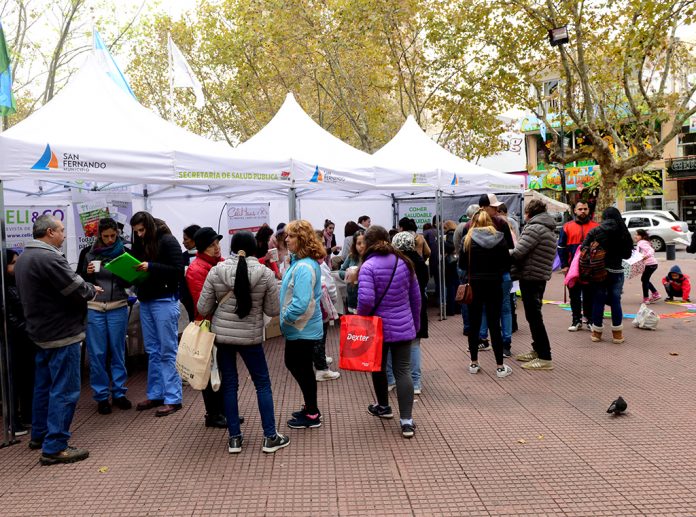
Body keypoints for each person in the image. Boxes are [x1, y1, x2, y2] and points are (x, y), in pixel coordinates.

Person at [14, 215, 99, 465]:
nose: (64, 234)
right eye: (62, 230)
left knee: (44, 387)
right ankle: (56, 446)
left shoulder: (25, 256)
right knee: (64, 390)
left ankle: (40, 435)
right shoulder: (48, 257)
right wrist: (92, 290)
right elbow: (77, 288)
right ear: (50, 232)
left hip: (40, 332)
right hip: (61, 333)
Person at [197, 231, 289, 454]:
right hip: (250, 337)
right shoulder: (265, 274)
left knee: (230, 386)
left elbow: (203, 308)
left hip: (223, 337)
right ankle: (269, 437)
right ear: (254, 248)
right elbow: (273, 310)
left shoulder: (216, 271)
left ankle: (235, 439)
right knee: (262, 384)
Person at [358, 225, 421, 438]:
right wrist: (415, 324)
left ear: (367, 243)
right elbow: (416, 297)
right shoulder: (404, 262)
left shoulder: (368, 266)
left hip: (377, 328)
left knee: (377, 368)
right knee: (403, 371)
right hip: (403, 325)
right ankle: (407, 421)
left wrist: (361, 317)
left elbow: (366, 300)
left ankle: (383, 406)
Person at [130, 211, 185, 417]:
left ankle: (173, 398)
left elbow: (178, 270)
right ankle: (156, 394)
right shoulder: (141, 244)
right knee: (153, 350)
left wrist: (150, 267)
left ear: (150, 226)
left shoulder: (167, 240)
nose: (140, 234)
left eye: (142, 230)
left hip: (163, 299)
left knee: (167, 350)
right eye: (136, 232)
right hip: (147, 300)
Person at [79, 218, 132, 415]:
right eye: (106, 236)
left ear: (117, 234)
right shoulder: (88, 253)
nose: (110, 240)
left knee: (117, 351)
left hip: (117, 305)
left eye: (113, 236)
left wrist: (123, 272)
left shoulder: (125, 252)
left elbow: (131, 281)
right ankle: (101, 396)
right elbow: (79, 280)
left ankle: (119, 393)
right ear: (99, 235)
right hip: (94, 307)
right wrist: (88, 273)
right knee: (97, 353)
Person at [280, 220, 326, 429]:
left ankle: (312, 413)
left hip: (301, 327)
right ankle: (310, 408)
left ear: (303, 239)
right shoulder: (301, 262)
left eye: (291, 236)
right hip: (302, 327)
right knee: (300, 366)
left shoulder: (304, 266)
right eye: (286, 236)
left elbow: (300, 302)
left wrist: (285, 318)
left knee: (300, 366)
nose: (286, 239)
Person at [459, 210, 512, 379]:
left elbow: (461, 264)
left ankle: (474, 362)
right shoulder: (500, 238)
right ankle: (500, 366)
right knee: (494, 324)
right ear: (490, 221)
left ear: (473, 222)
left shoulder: (467, 239)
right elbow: (506, 264)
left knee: (474, 324)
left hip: (474, 284)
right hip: (494, 284)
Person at [185, 227, 227, 428]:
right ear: (202, 248)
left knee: (223, 370)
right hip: (206, 325)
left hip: (221, 324)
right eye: (212, 245)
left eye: (217, 242)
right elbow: (204, 302)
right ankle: (213, 414)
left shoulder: (219, 262)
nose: (217, 247)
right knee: (210, 371)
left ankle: (225, 411)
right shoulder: (196, 269)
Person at [510, 200, 557, 370]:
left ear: (529, 212)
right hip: (538, 276)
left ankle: (545, 356)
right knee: (533, 315)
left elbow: (518, 253)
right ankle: (537, 350)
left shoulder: (534, 228)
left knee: (534, 317)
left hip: (531, 276)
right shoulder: (547, 227)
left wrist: (501, 252)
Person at [582, 207, 633, 344]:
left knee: (598, 300)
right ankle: (617, 335)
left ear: (604, 217)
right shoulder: (623, 231)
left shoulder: (596, 230)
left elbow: (583, 248)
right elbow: (627, 254)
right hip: (616, 271)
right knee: (616, 301)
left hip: (598, 271)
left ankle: (596, 334)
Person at [387, 232, 429, 395]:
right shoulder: (420, 262)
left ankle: (390, 379)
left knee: (390, 345)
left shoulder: (395, 263)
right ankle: (416, 382)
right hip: (417, 306)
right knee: (414, 345)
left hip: (397, 308)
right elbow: (423, 285)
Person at [4, 249, 35, 435]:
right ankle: (13, 421)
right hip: (14, 340)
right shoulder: (5, 288)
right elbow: (10, 317)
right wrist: (28, 328)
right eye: (12, 263)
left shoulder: (18, 282)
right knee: (14, 381)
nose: (16, 266)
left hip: (25, 338)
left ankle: (27, 416)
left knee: (27, 378)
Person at [557, 200, 599, 331]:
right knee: (574, 295)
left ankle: (590, 320)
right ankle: (576, 320)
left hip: (590, 268)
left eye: (585, 209)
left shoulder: (596, 226)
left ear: (588, 210)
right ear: (574, 211)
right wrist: (564, 265)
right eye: (580, 209)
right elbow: (561, 247)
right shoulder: (567, 226)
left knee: (589, 294)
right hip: (572, 267)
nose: (583, 211)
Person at [338, 229, 365, 313]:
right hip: (352, 299)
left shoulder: (371, 258)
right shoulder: (351, 256)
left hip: (365, 300)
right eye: (359, 243)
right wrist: (348, 273)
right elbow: (341, 272)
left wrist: (358, 273)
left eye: (364, 242)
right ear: (354, 245)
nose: (362, 246)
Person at [180, 224, 201, 322]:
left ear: (194, 239)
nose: (183, 242)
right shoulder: (182, 257)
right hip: (187, 299)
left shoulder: (206, 255)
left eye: (186, 239)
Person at [635, 229, 660, 304]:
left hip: (650, 264)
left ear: (642, 236)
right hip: (651, 264)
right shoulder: (642, 242)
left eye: (637, 235)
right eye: (635, 235)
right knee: (644, 279)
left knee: (644, 280)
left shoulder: (642, 243)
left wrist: (646, 256)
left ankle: (646, 298)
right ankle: (655, 294)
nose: (635, 236)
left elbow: (651, 250)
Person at [443, 220, 460, 316]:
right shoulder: (456, 232)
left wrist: (442, 243)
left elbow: (450, 246)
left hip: (450, 262)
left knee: (450, 285)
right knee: (456, 284)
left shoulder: (450, 234)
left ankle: (451, 309)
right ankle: (458, 307)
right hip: (455, 261)